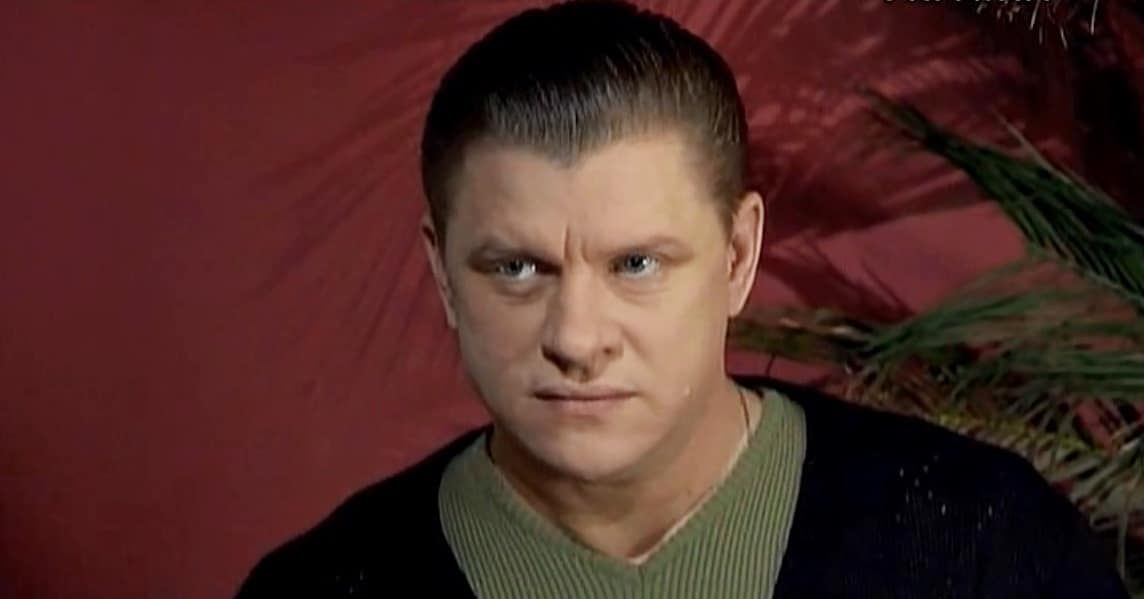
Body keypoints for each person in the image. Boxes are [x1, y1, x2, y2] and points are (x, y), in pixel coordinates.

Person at [236, 1, 1129, 597]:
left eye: (636, 264)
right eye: (517, 269)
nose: (577, 337)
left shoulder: (980, 545)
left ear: (738, 256)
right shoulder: (321, 588)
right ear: (442, 275)